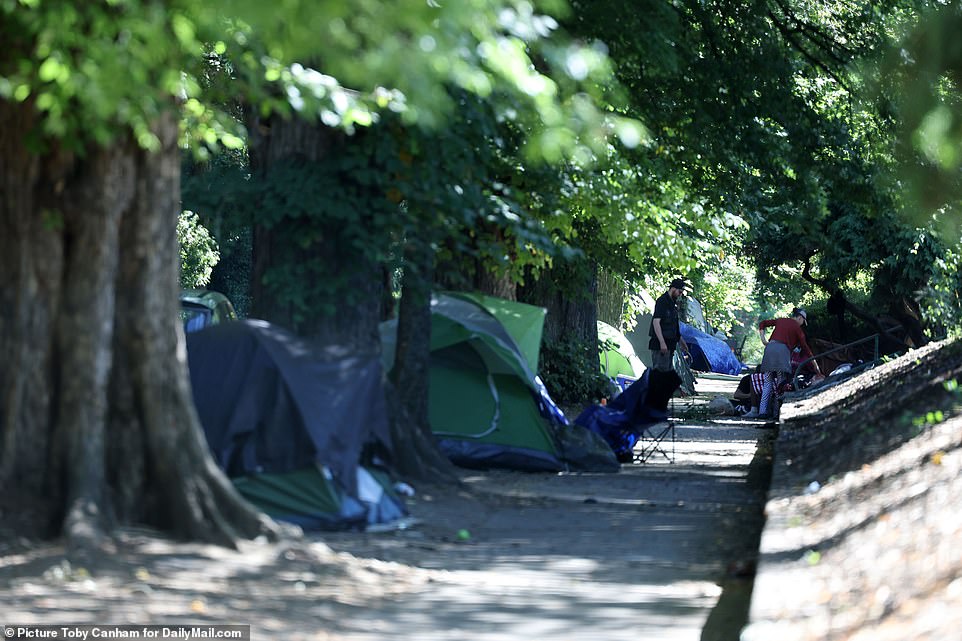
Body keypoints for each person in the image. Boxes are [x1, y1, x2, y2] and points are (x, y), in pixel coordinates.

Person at [751, 307, 823, 418]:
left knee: (768, 381)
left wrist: (764, 340)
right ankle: (776, 413)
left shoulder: (781, 320)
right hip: (782, 352)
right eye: (803, 321)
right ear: (800, 318)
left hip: (770, 348)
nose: (802, 324)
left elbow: (762, 323)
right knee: (781, 383)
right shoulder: (798, 329)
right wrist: (816, 367)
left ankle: (762, 412)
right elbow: (806, 349)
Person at [648, 277, 691, 372]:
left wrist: (682, 343)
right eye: (679, 292)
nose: (680, 295)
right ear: (673, 289)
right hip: (660, 346)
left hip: (670, 346)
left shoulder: (673, 304)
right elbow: (656, 322)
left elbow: (674, 327)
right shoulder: (662, 301)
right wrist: (662, 342)